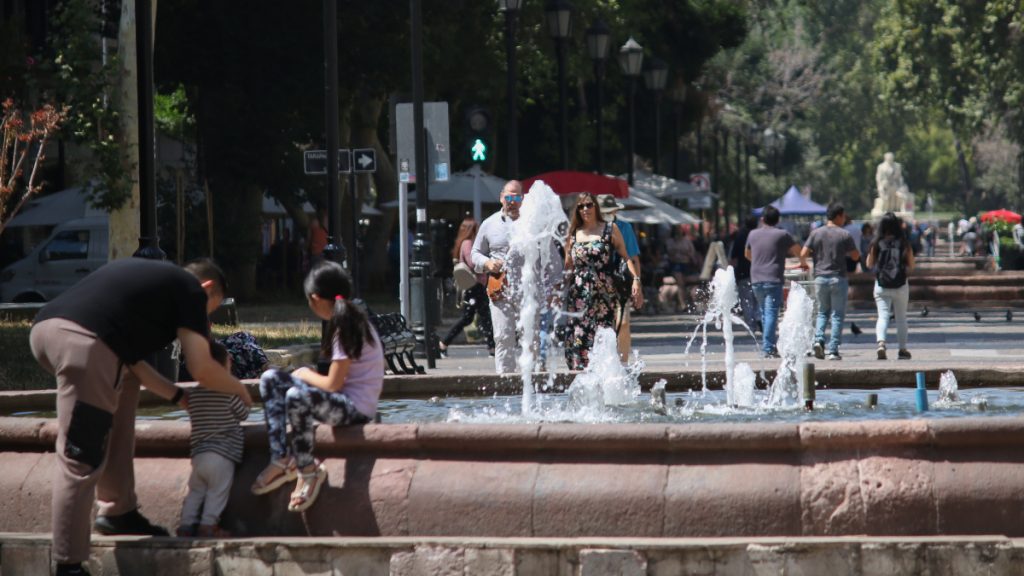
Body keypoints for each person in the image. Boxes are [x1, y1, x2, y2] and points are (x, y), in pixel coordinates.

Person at [29, 257, 252, 576]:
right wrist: (240, 391)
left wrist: (178, 396)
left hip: (52, 330)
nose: (205, 324)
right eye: (208, 312)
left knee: (125, 388)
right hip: (83, 345)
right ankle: (68, 563)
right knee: (81, 456)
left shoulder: (149, 293)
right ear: (206, 288)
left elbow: (136, 367)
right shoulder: (189, 290)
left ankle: (119, 510)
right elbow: (203, 369)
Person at [252, 261, 383, 513]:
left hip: (356, 409)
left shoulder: (347, 325)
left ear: (315, 299)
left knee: (295, 395)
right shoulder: (347, 319)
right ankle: (281, 458)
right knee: (270, 379)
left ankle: (309, 470)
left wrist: (305, 373)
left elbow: (332, 384)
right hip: (342, 401)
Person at [177, 341, 250, 538]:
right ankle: (208, 525)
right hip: (222, 454)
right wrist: (247, 402)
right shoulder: (228, 391)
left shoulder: (194, 395)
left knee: (195, 492)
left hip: (199, 455)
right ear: (225, 365)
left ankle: (186, 525)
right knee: (218, 491)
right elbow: (243, 414)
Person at [563, 192, 640, 370]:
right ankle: (581, 379)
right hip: (579, 294)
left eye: (589, 205)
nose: (585, 209)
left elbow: (626, 257)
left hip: (604, 292)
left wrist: (636, 280)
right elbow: (568, 267)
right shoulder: (573, 233)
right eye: (581, 206)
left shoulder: (610, 228)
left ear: (595, 207)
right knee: (579, 338)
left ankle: (607, 376)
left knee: (604, 336)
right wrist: (558, 289)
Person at [471, 180, 524, 374]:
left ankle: (532, 382)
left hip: (528, 289)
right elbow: (475, 253)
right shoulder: (489, 223)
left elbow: (548, 255)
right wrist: (487, 263)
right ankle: (505, 382)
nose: (512, 201)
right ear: (502, 197)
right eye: (508, 197)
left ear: (523, 199)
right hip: (500, 288)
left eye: (516, 197)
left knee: (531, 339)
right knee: (503, 336)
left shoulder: (531, 223)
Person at [800, 203, 860, 361]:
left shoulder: (816, 233)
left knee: (822, 312)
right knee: (837, 315)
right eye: (844, 216)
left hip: (820, 277)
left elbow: (803, 253)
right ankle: (833, 350)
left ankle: (819, 340)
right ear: (839, 216)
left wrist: (805, 264)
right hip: (838, 277)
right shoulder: (844, 234)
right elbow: (855, 256)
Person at [745, 205, 801, 358]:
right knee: (770, 313)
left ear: (762, 219)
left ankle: (768, 345)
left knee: (764, 312)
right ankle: (768, 348)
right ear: (778, 220)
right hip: (773, 278)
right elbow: (798, 250)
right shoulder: (782, 234)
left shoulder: (752, 234)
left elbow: (747, 254)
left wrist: (758, 262)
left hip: (756, 278)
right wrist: (803, 262)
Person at [596, 194, 644, 361]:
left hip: (620, 282)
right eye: (603, 211)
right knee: (600, 326)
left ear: (616, 210)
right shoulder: (591, 228)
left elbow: (633, 258)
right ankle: (603, 361)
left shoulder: (624, 227)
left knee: (623, 323)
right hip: (597, 283)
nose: (606, 214)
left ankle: (623, 362)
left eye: (609, 211)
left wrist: (638, 284)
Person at [439, 217, 495, 358]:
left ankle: (444, 343)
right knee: (481, 316)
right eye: (476, 228)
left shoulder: (464, 242)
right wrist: (487, 263)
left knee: (473, 317)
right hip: (474, 284)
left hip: (475, 284)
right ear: (472, 230)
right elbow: (472, 262)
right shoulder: (468, 243)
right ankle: (492, 348)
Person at [866, 212, 915, 360]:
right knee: (901, 318)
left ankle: (881, 343)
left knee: (882, 316)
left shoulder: (877, 243)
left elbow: (869, 264)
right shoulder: (904, 242)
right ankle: (902, 349)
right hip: (900, 284)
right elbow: (912, 264)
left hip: (881, 284)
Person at [730, 215, 760, 333]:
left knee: (746, 300)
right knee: (758, 298)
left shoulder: (740, 236)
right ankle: (759, 318)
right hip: (759, 272)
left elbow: (734, 257)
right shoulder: (758, 235)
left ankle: (751, 325)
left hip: (743, 272)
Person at [664, 226, 699, 309]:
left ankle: (688, 302)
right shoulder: (670, 241)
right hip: (675, 264)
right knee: (680, 283)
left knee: (690, 282)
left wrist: (683, 252)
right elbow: (670, 253)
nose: (678, 232)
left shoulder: (687, 241)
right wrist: (680, 251)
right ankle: (683, 304)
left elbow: (692, 253)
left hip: (686, 264)